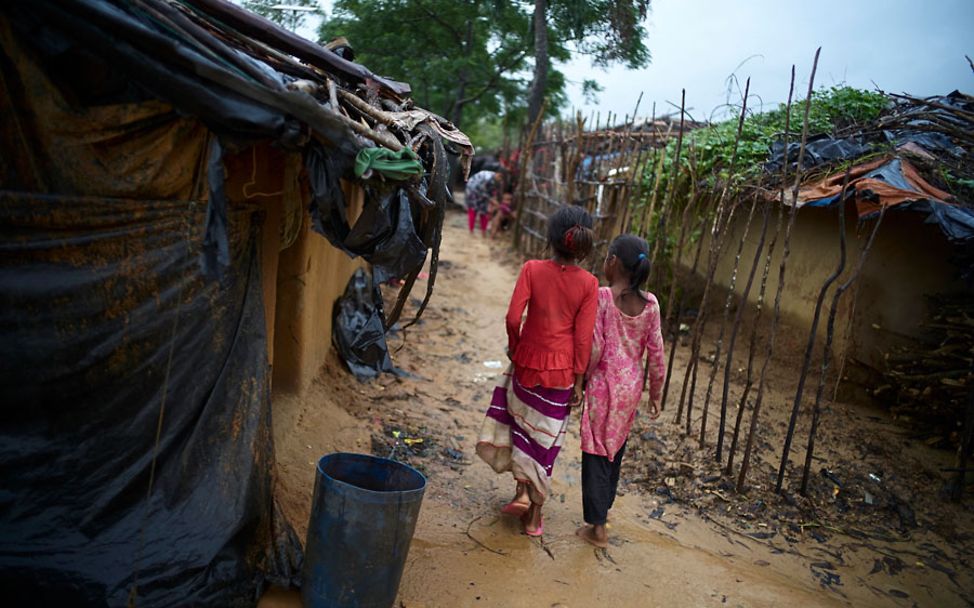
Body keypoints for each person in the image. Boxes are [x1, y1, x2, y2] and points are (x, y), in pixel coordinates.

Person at [476, 206, 599, 537]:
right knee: (546, 439)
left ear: (552, 239)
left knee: (522, 429)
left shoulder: (531, 269)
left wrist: (516, 349)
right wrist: (578, 381)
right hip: (561, 375)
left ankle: (520, 492)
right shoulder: (589, 284)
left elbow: (513, 318)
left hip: (527, 364)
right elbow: (583, 339)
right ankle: (534, 515)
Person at [575, 234, 666, 548]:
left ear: (612, 262)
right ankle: (603, 510)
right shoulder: (651, 304)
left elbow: (596, 347)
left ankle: (597, 526)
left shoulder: (603, 297)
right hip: (630, 390)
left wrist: (582, 381)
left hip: (603, 386)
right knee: (614, 450)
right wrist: (655, 393)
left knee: (595, 452)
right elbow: (657, 353)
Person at [464, 170, 503, 236]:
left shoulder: (495, 180)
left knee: (484, 212)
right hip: (473, 191)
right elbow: (480, 189)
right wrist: (491, 199)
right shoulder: (487, 177)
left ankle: (483, 231)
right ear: (498, 175)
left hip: (482, 194)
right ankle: (471, 231)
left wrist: (493, 199)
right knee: (473, 210)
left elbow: (492, 191)